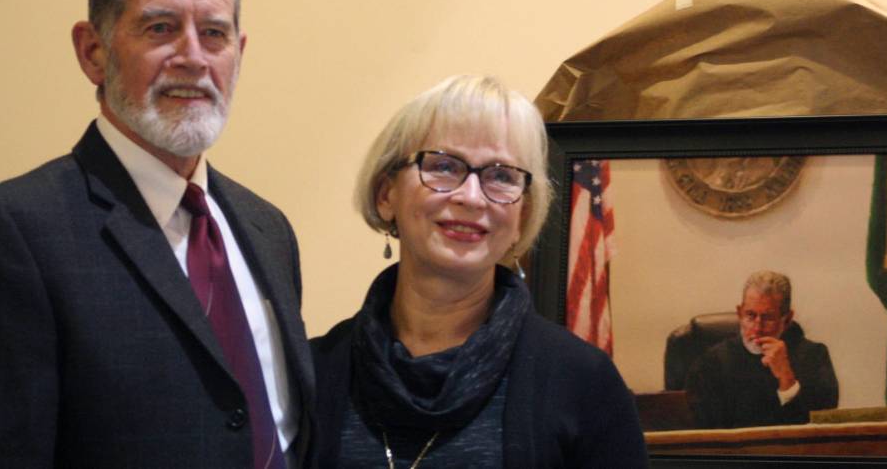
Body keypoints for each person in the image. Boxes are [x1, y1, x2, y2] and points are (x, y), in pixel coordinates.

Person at [0, 0, 314, 468]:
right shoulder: (17, 232)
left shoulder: (267, 229)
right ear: (93, 51)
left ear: (239, 52)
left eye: (214, 34)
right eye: (161, 28)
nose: (192, 57)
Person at [311, 75, 647, 467]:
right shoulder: (313, 373)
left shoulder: (585, 383)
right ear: (387, 195)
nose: (471, 197)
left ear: (522, 215)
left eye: (502, 176)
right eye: (443, 166)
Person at [685, 270, 838, 429]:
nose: (757, 328)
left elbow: (822, 427)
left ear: (787, 319)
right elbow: (702, 429)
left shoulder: (814, 357)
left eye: (768, 318)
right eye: (750, 315)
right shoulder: (710, 364)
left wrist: (787, 379)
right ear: (739, 313)